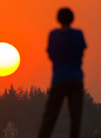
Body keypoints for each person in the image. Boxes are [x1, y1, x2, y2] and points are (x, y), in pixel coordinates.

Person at [38, 8, 87, 138]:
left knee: (50, 114)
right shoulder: (78, 34)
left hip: (58, 79)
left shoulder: (53, 35)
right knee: (75, 115)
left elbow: (51, 55)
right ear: (72, 19)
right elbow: (81, 52)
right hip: (76, 78)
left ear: (58, 19)